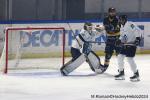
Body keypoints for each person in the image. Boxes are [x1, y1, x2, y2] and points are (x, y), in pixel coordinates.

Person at [115, 15, 141, 82]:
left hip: (131, 45)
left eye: (121, 19)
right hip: (125, 45)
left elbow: (137, 30)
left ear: (124, 19)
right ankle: (121, 73)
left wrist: (138, 39)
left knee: (129, 59)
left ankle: (136, 73)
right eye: (119, 20)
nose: (120, 21)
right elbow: (123, 36)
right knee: (120, 56)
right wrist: (119, 40)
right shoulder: (121, 26)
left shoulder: (130, 24)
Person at [102, 7, 121, 73]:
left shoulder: (117, 19)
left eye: (114, 12)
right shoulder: (105, 19)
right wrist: (102, 28)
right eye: (111, 12)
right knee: (108, 54)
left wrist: (104, 27)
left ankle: (121, 68)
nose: (113, 13)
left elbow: (113, 27)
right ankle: (105, 67)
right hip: (109, 39)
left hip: (117, 39)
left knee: (119, 55)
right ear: (109, 12)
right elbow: (107, 28)